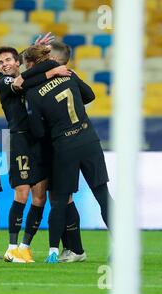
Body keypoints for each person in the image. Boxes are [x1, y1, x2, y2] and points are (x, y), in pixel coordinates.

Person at [23, 45, 112, 263]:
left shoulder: (33, 93)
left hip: (64, 147)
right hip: (89, 139)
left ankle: (61, 250)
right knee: (103, 195)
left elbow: (37, 131)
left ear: (32, 66)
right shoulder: (69, 75)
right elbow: (89, 95)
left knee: (60, 200)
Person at [0, 46, 72, 263]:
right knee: (22, 193)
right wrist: (52, 71)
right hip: (20, 140)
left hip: (40, 141)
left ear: (18, 61)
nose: (5, 65)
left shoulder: (32, 78)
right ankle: (11, 247)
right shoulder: (5, 82)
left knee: (40, 196)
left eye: (9, 60)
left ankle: (25, 247)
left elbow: (32, 77)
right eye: (1, 63)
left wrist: (38, 53)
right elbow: (23, 83)